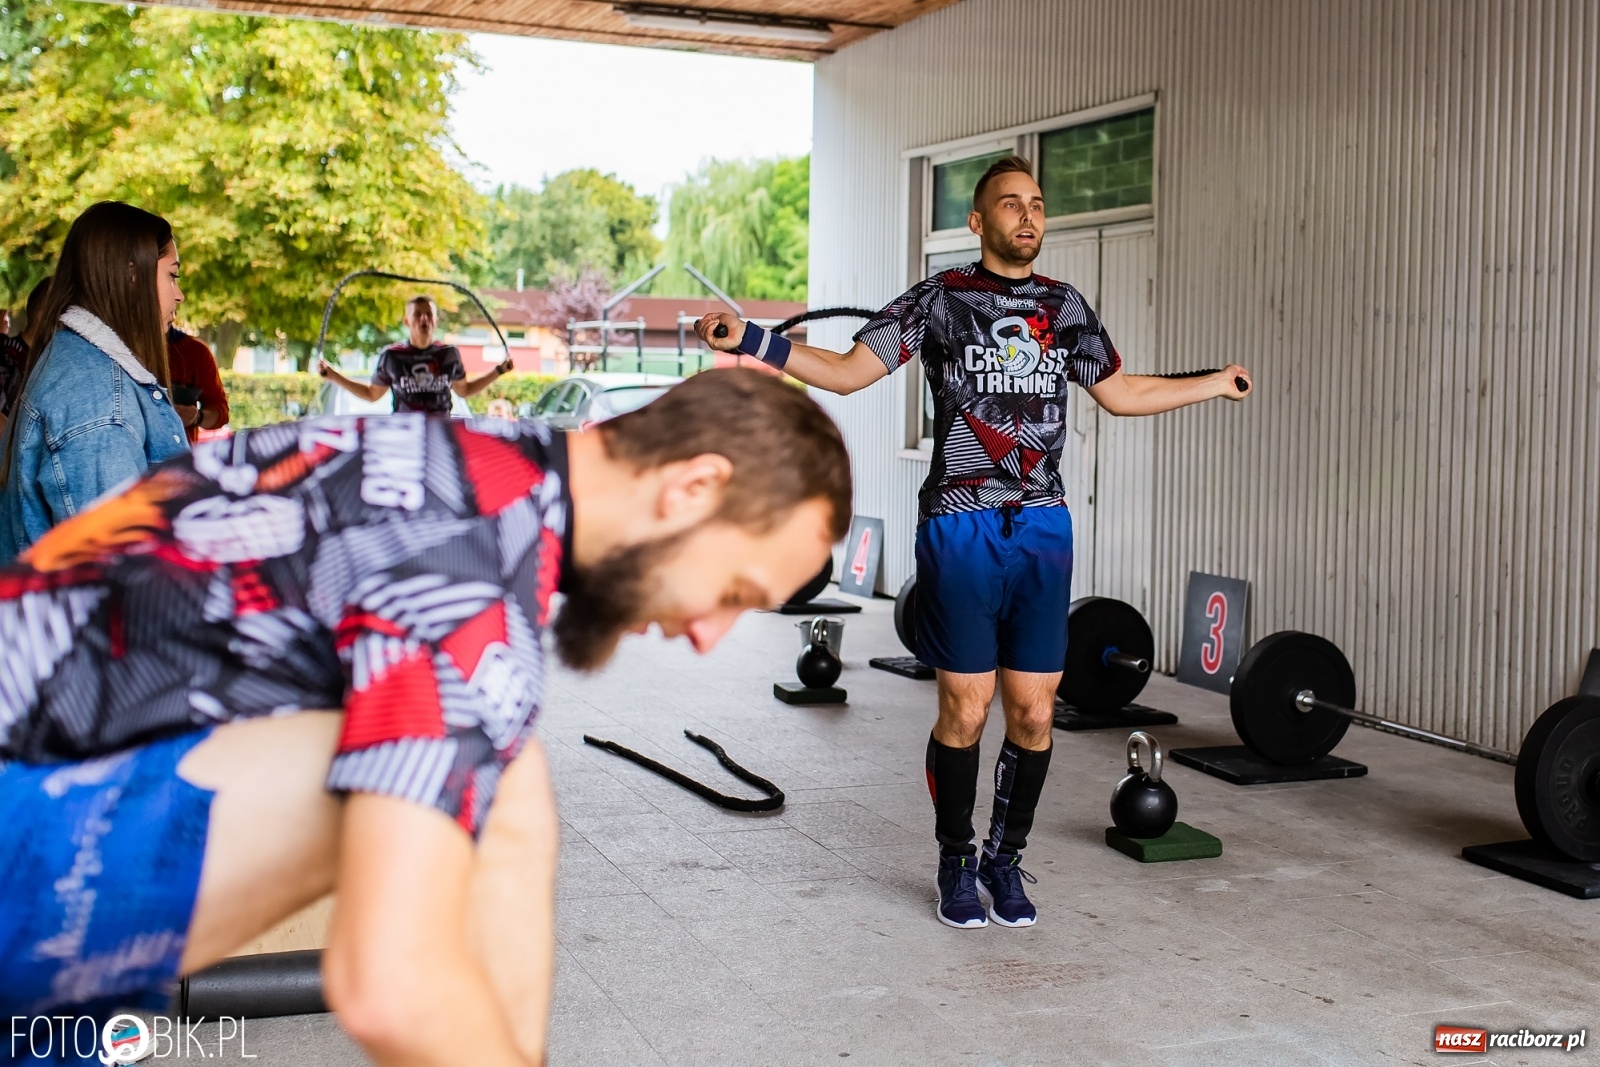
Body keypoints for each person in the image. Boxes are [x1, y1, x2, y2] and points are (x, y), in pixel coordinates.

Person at [0, 367, 852, 1065]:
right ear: (694, 487)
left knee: (505, 761)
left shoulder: (472, 461)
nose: (709, 636)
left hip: (54, 777)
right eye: (734, 592)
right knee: (479, 756)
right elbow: (388, 984)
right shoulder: (469, 576)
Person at [697, 156, 1253, 931]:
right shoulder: (939, 300)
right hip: (959, 520)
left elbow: (1120, 393)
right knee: (967, 701)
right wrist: (757, 340)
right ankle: (956, 855)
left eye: (1037, 204)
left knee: (1033, 708)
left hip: (1041, 522)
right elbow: (853, 371)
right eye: (1010, 204)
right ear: (978, 221)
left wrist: (1212, 381)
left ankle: (1005, 854)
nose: (1028, 216)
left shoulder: (1065, 307)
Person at [0, 203, 189, 563]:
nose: (178, 294)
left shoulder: (77, 363)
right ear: (133, 276)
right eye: (172, 275)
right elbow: (118, 575)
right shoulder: (99, 401)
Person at [318, 295, 513, 414]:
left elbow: (465, 390)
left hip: (441, 436)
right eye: (417, 314)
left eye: (428, 315)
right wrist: (332, 375)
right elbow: (372, 394)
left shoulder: (449, 354)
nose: (424, 319)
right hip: (404, 437)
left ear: (436, 321)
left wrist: (499, 370)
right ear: (407, 321)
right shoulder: (392, 356)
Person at [167, 324, 230, 441]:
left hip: (180, 456)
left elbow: (221, 412)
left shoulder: (196, 352)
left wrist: (197, 417)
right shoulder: (123, 350)